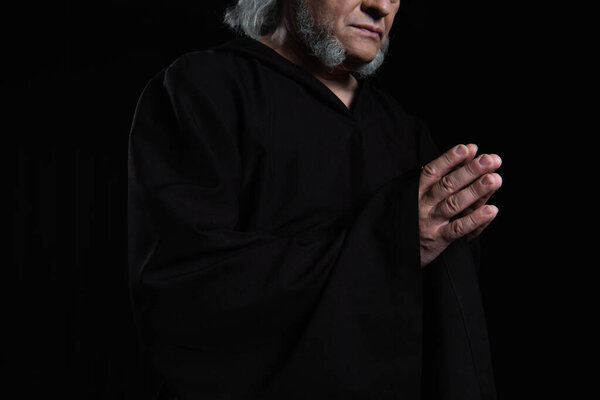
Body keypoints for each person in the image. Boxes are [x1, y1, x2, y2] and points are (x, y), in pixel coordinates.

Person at [127, 0, 502, 399]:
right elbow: (184, 292)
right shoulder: (202, 88)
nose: (380, 6)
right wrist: (393, 244)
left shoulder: (407, 134)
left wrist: (452, 241)